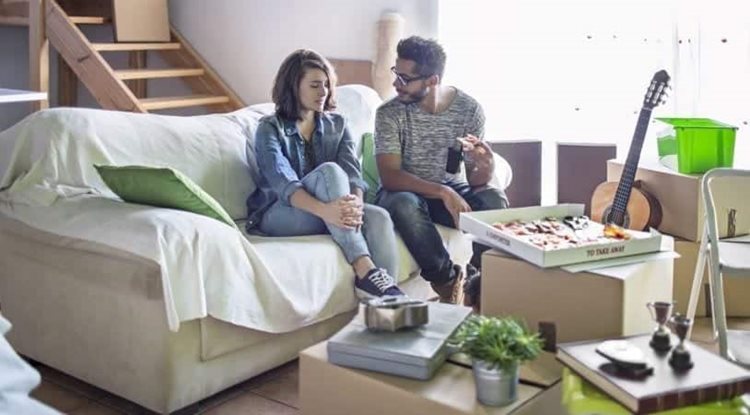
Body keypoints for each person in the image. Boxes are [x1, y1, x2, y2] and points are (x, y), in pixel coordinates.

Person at [246, 49, 404, 299]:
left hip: (329, 212)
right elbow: (283, 183)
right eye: (315, 85)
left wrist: (356, 206)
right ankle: (364, 268)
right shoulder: (269, 129)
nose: (324, 92)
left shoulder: (338, 125)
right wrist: (326, 211)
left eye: (328, 85)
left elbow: (353, 174)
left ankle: (390, 301)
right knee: (330, 171)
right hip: (279, 214)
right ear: (293, 87)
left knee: (380, 217)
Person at [374, 36, 508, 307]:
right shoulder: (389, 113)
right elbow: (390, 175)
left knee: (494, 200)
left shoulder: (469, 110)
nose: (395, 84)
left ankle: (479, 282)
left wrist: (485, 165)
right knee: (404, 204)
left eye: (404, 78)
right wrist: (442, 191)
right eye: (395, 74)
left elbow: (475, 181)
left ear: (432, 80)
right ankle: (447, 282)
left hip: (448, 190)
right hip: (403, 192)